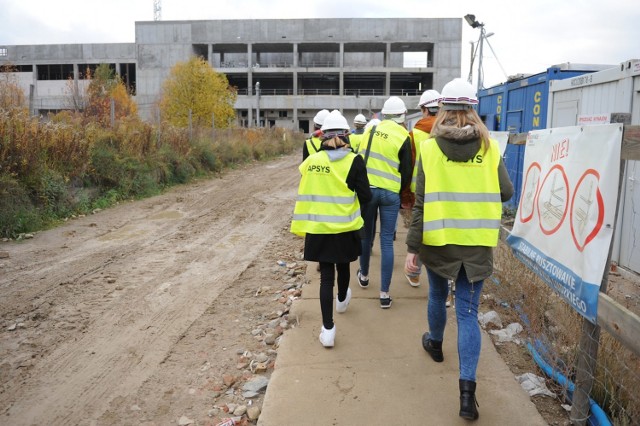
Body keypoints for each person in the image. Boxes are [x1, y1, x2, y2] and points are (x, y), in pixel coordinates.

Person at [404, 78, 514, 420]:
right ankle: (467, 396)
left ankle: (435, 343)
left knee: (437, 296)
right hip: (478, 244)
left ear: (443, 109)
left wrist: (413, 248)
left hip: (440, 241)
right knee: (467, 314)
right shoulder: (490, 147)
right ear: (473, 108)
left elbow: (420, 203)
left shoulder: (430, 148)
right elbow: (506, 192)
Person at [291, 110, 372, 348]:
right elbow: (366, 196)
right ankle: (342, 299)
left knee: (326, 277)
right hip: (345, 227)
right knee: (344, 266)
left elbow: (306, 183)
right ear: (346, 135)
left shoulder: (312, 162)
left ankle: (328, 330)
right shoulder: (354, 161)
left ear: (322, 135)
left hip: (319, 228)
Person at [357, 96, 412, 309]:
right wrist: (397, 189)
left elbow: (361, 159)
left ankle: (364, 275)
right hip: (390, 193)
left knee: (366, 236)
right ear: (402, 116)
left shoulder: (370, 130)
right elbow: (406, 171)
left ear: (384, 114)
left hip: (369, 192)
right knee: (387, 241)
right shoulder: (403, 136)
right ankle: (384, 294)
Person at [402, 89, 440, 289]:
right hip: (443, 194)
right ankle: (442, 284)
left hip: (418, 193)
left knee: (417, 233)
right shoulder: (451, 131)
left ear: (425, 110)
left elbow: (408, 167)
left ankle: (415, 274)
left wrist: (406, 194)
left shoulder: (413, 134)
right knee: (439, 236)